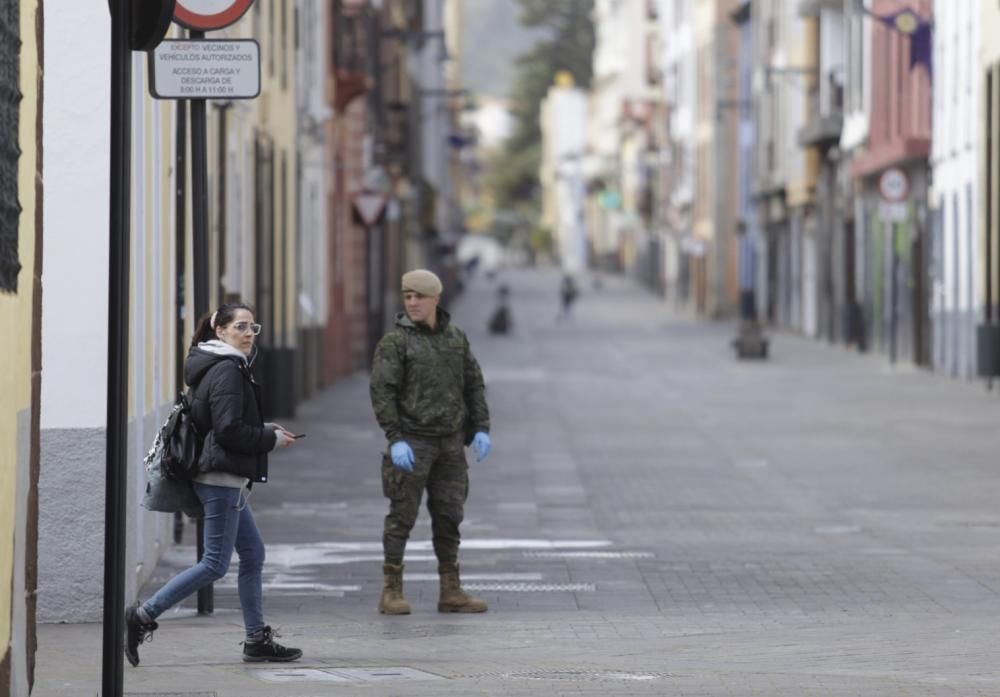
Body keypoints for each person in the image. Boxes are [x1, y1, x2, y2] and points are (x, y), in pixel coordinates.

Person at [125, 302, 303, 666]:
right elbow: (228, 430)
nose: (249, 334)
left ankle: (256, 640)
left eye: (254, 327)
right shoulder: (227, 369)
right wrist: (269, 440)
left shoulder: (220, 365)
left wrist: (266, 430)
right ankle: (142, 616)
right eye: (240, 326)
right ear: (219, 330)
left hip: (224, 477)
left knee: (253, 554)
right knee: (214, 564)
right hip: (220, 478)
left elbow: (224, 422)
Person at [370, 269, 492, 615]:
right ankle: (391, 590)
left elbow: (474, 383)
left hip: (451, 444)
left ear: (435, 299)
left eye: (419, 297)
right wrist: (395, 438)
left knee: (449, 516)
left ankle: (450, 590)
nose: (412, 303)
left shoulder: (455, 338)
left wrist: (481, 427)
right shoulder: (395, 343)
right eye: (407, 297)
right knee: (401, 517)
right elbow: (383, 391)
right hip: (413, 442)